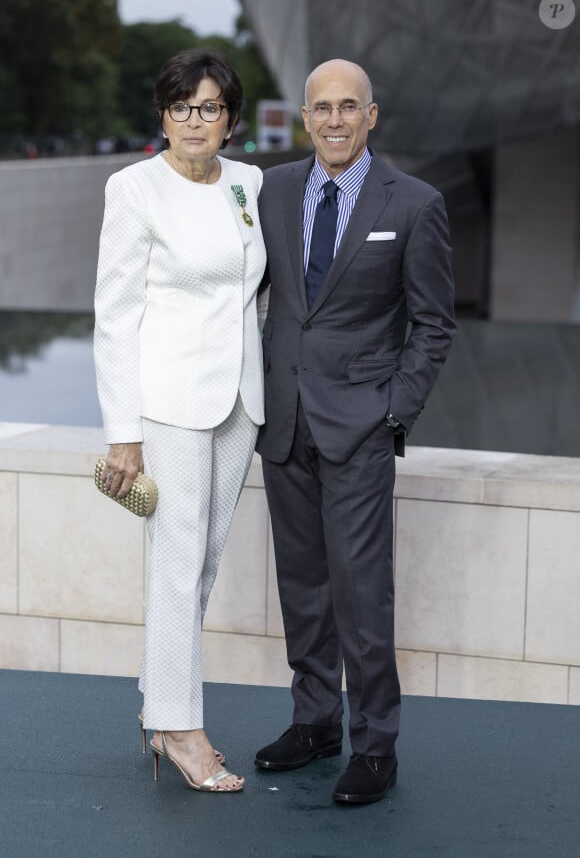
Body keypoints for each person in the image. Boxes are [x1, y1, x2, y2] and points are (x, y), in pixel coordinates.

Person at [254, 59, 456, 804]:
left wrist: (394, 411)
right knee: (302, 588)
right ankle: (315, 723)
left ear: (373, 116)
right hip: (283, 426)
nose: (334, 120)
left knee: (363, 594)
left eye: (349, 107)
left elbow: (434, 324)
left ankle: (375, 745)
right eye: (321, 109)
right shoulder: (271, 190)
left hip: (361, 429)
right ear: (304, 117)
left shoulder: (415, 202)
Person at [94, 49, 267, 793]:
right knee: (174, 564)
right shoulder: (133, 189)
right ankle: (179, 728)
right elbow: (114, 315)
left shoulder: (248, 183)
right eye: (182, 106)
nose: (196, 121)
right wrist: (122, 431)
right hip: (168, 404)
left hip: (241, 402)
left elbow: (256, 291)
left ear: (231, 119)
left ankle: (159, 708)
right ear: (163, 114)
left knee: (201, 564)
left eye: (210, 107)